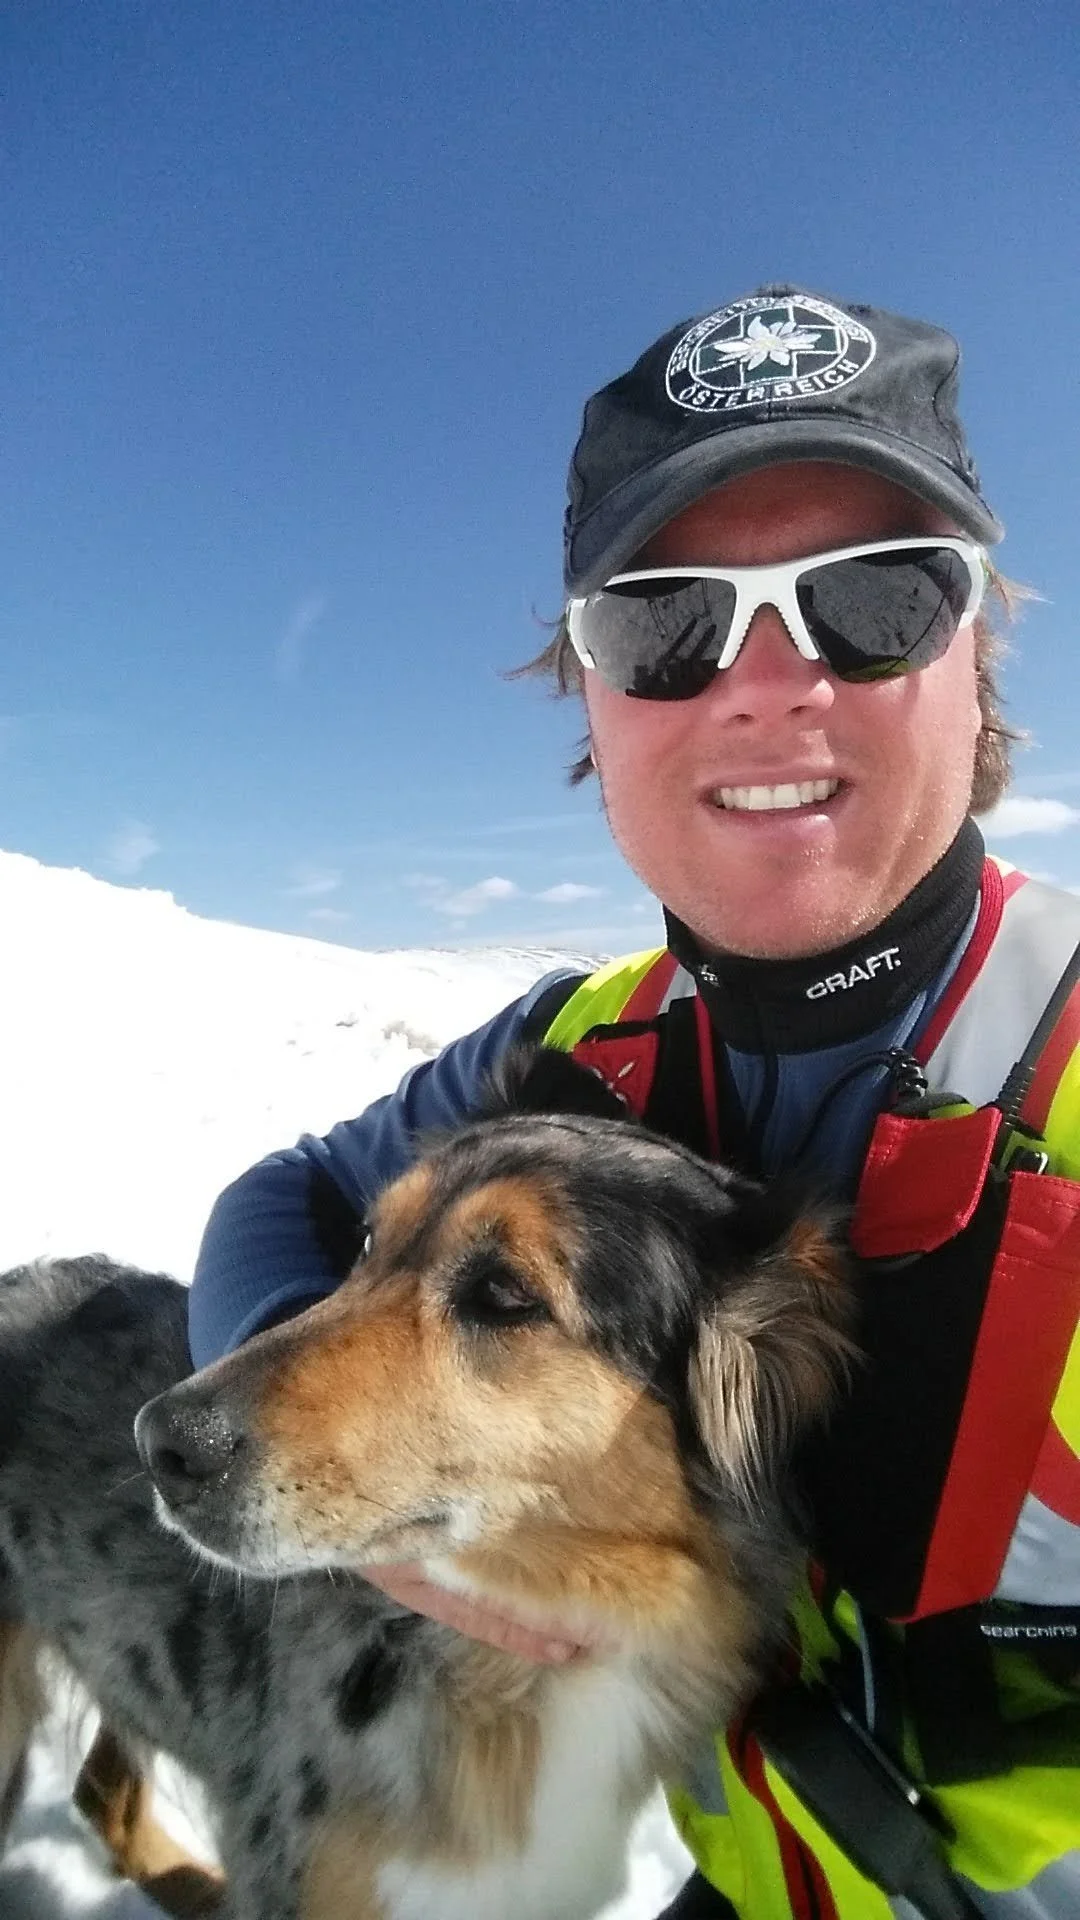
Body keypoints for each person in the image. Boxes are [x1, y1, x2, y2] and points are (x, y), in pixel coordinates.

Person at [189, 285, 1080, 1919]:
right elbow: (286, 1199)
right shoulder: (575, 1053)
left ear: (978, 658)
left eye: (873, 599)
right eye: (665, 622)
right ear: (592, 707)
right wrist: (353, 1480)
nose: (765, 684)